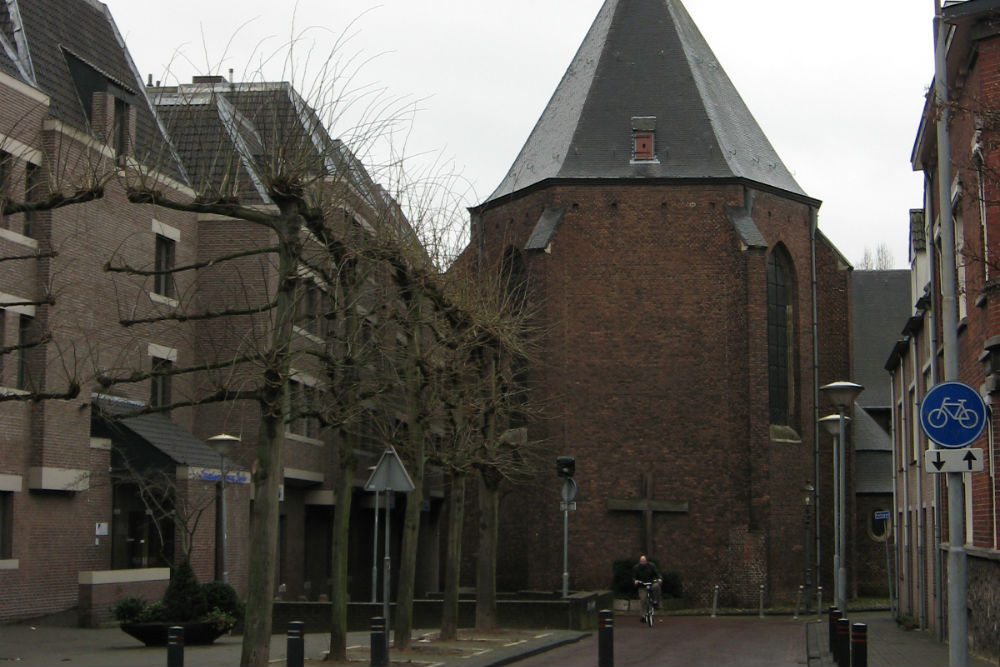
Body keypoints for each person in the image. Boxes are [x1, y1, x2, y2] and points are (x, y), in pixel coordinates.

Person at [632, 555, 663, 622]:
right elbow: (634, 577)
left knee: (656, 586)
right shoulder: (636, 568)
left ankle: (655, 601)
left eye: (644, 561)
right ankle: (643, 615)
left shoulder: (652, 566)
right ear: (639, 561)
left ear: (646, 561)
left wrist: (659, 578)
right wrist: (635, 581)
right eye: (641, 561)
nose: (643, 562)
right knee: (643, 600)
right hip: (642, 585)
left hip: (651, 583)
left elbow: (657, 573)